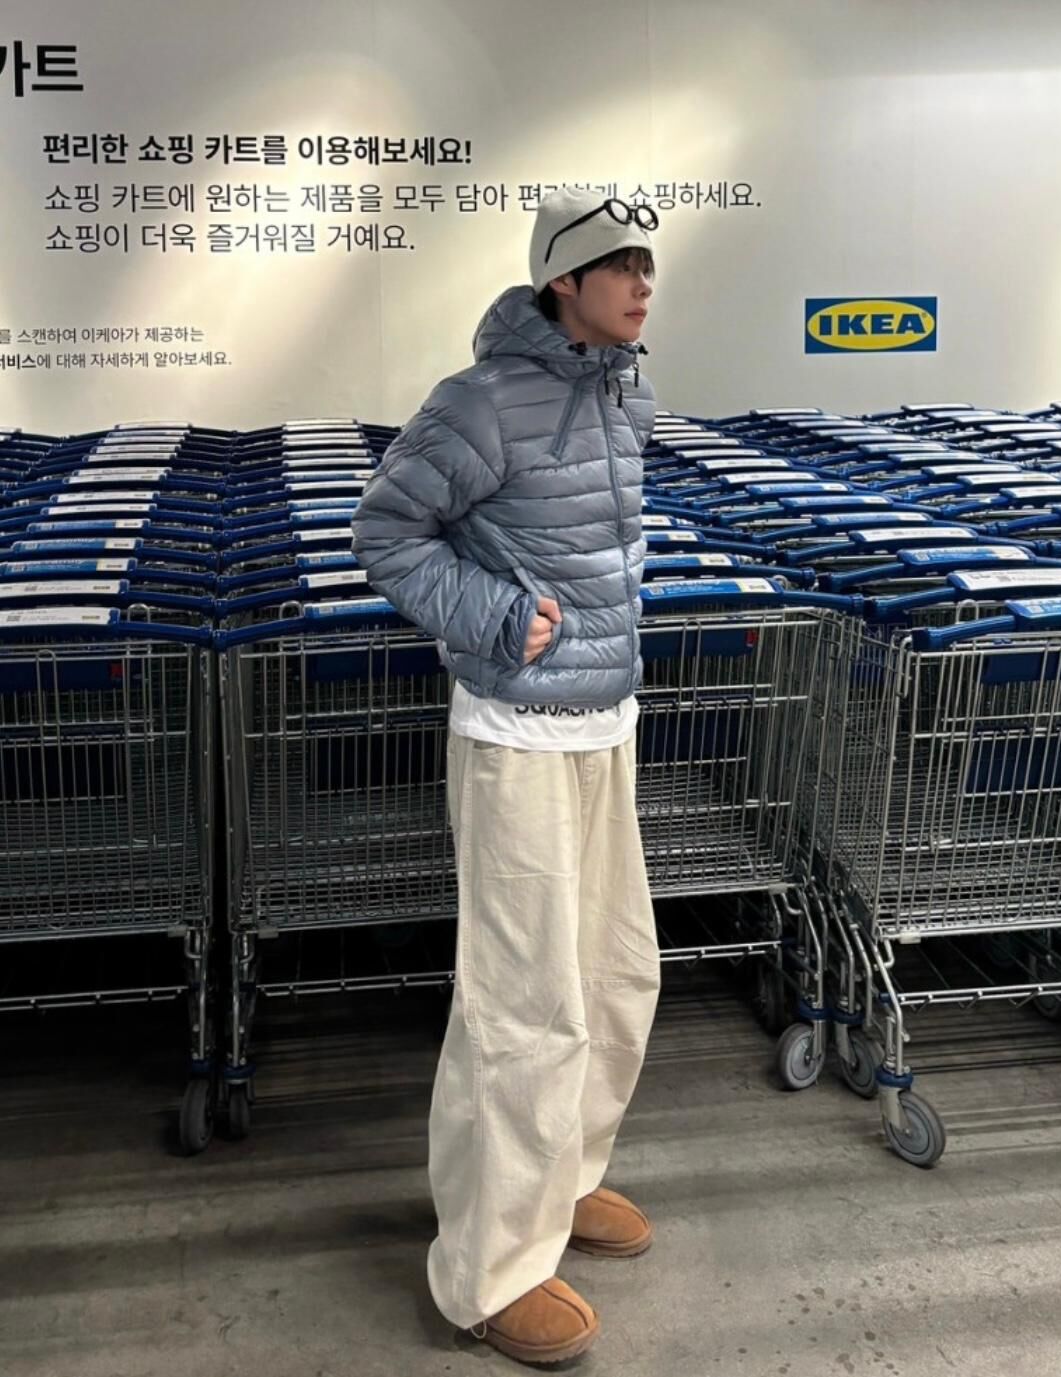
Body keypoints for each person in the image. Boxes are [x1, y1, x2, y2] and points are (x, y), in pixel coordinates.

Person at [350, 186, 661, 1366]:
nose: (640, 284)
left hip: (605, 726)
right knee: (523, 1010)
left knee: (615, 976)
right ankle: (488, 1270)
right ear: (560, 281)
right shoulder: (477, 401)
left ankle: (562, 1184)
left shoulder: (624, 393)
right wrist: (487, 614)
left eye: (647, 264)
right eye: (617, 264)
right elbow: (385, 532)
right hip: (516, 738)